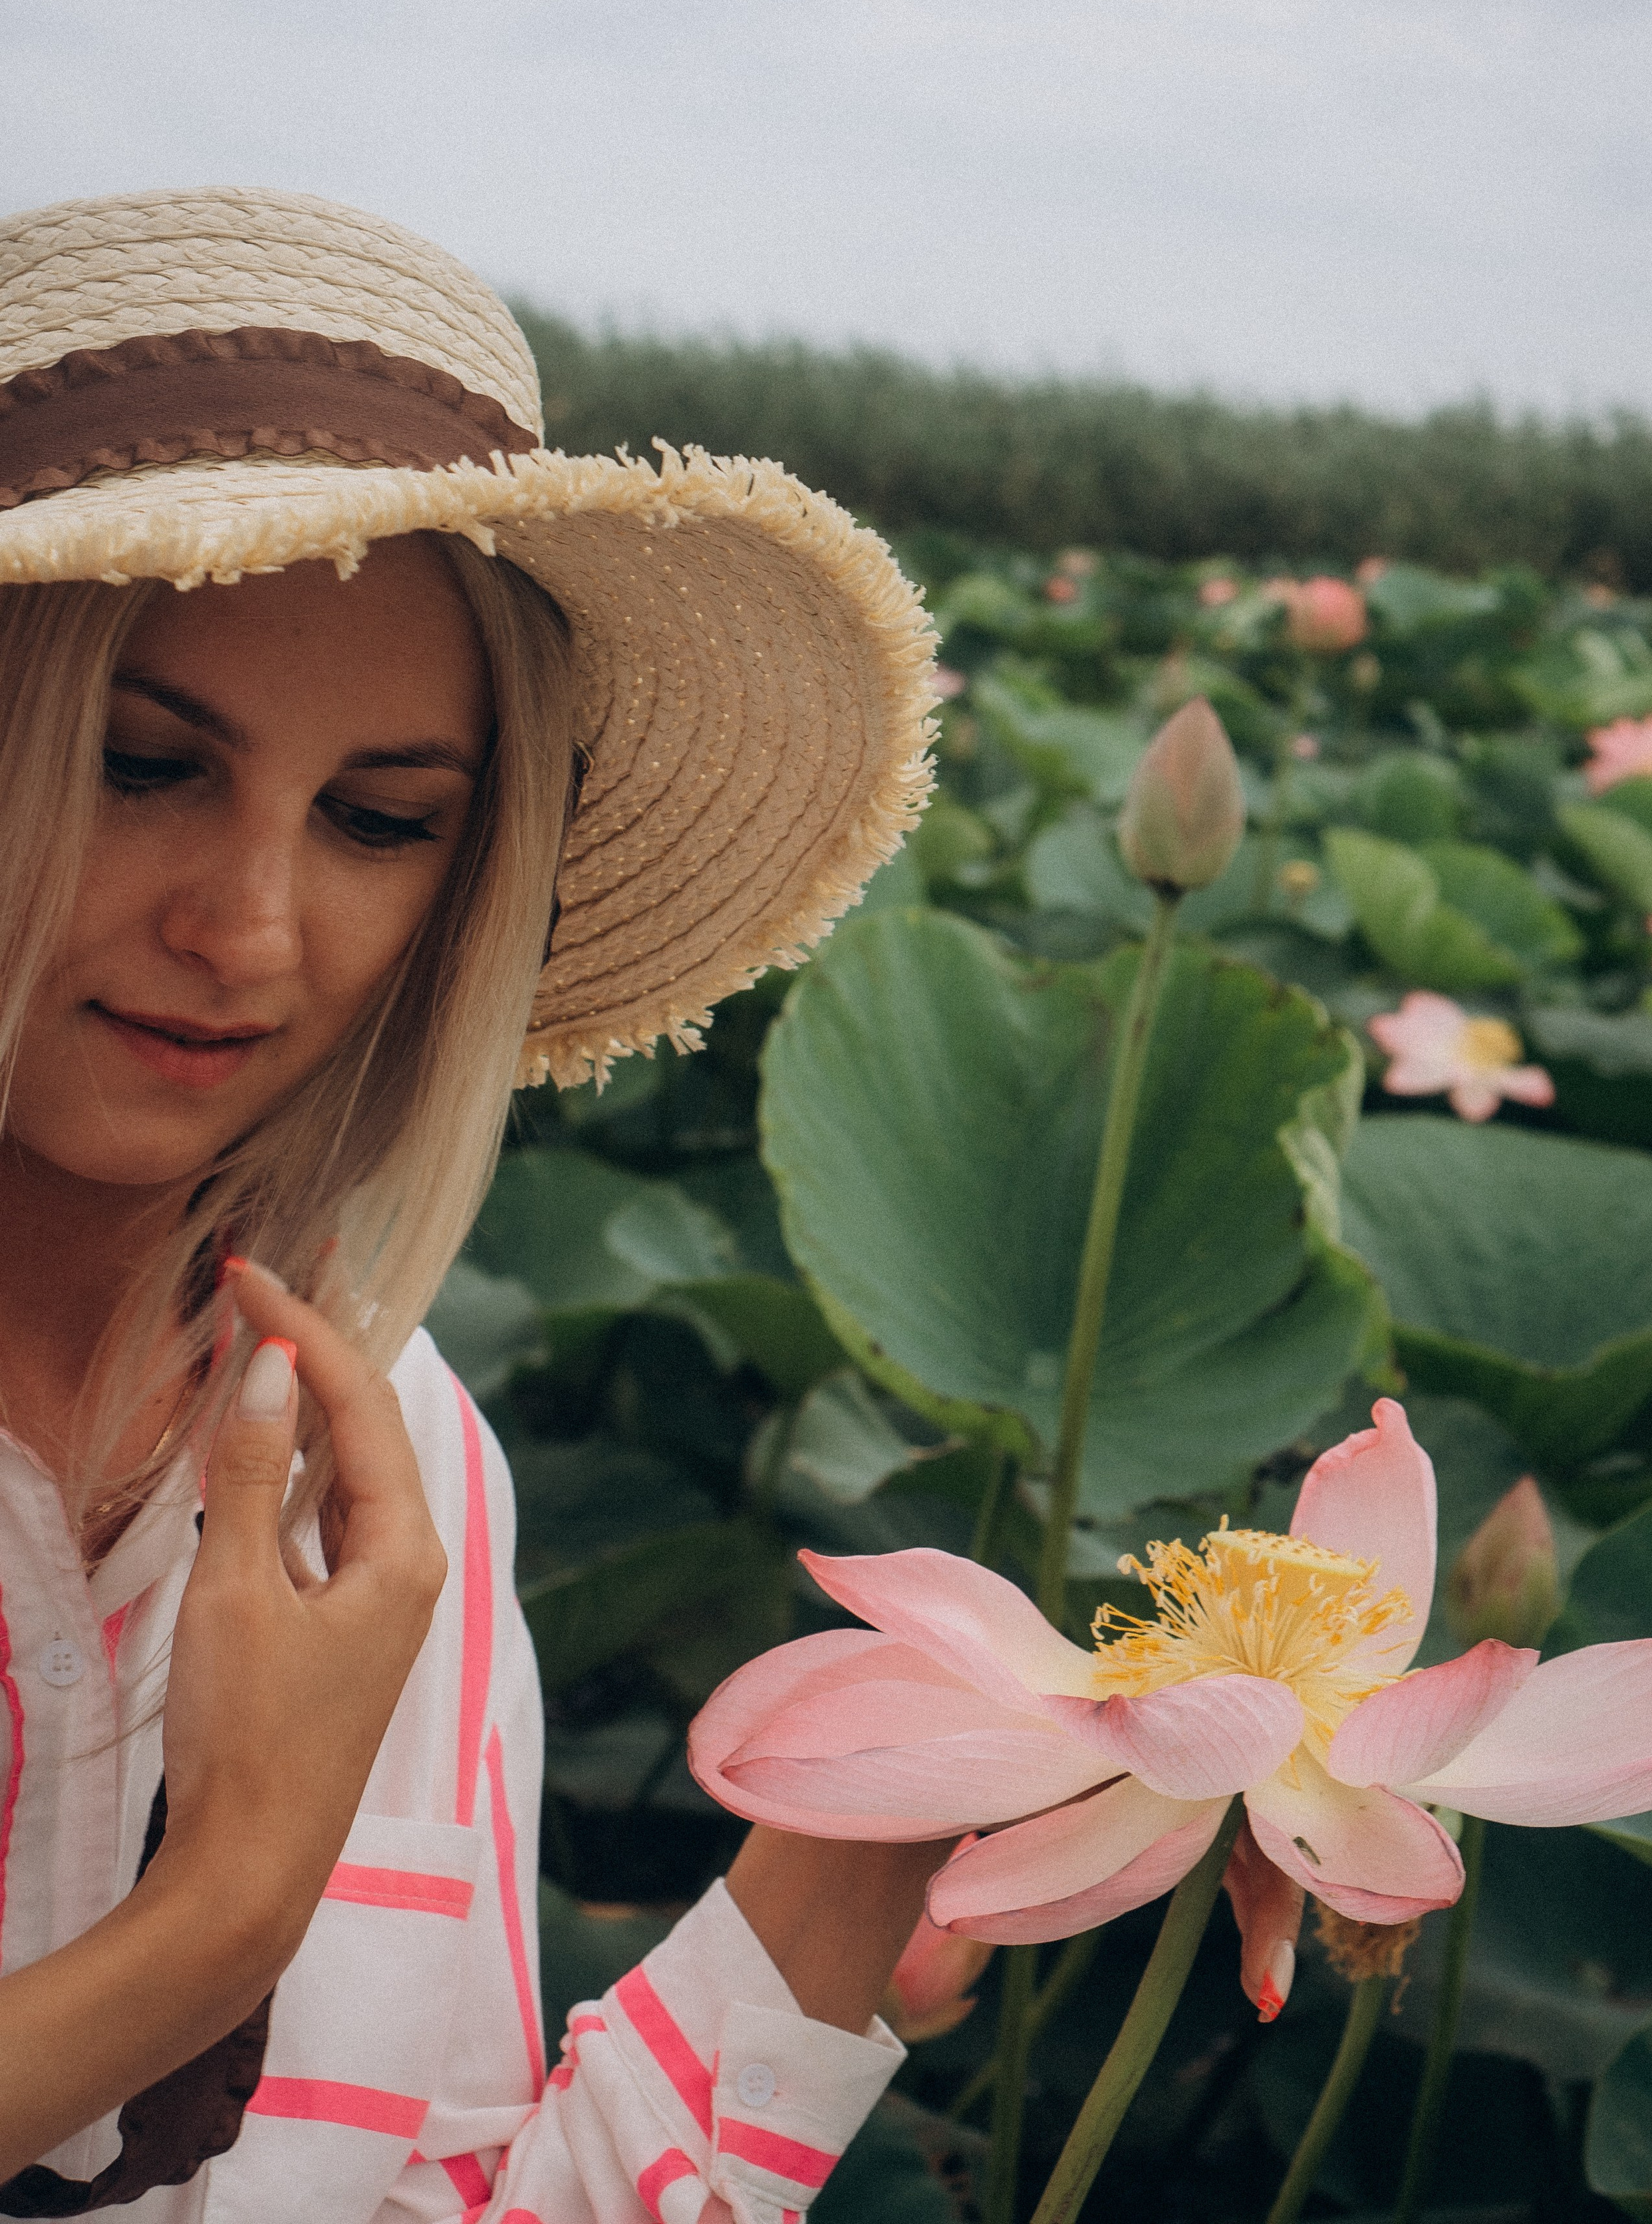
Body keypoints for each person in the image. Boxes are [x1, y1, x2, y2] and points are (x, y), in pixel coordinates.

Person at [0, 188, 947, 2221]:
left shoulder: (394, 1444)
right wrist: (222, 1916)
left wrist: (870, 1836)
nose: (248, 930)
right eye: (142, 763)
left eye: (378, 821)